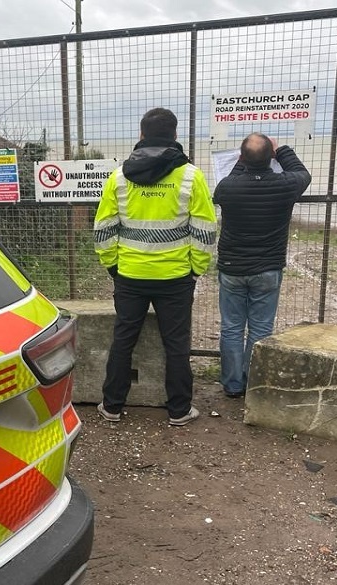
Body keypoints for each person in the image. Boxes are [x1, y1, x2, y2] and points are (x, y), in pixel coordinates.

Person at [93, 108, 218, 426]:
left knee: (123, 339)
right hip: (176, 277)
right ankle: (178, 410)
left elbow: (104, 229)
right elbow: (204, 230)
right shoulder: (191, 176)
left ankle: (112, 406)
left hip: (130, 275)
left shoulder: (118, 177)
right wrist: (195, 269)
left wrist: (113, 266)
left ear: (141, 134)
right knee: (176, 344)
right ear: (175, 135)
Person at [213, 132, 312, 398]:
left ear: (242, 158)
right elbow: (303, 173)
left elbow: (230, 179)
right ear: (271, 157)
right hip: (268, 267)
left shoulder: (227, 187)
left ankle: (233, 385)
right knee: (261, 328)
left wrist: (243, 159)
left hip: (233, 266)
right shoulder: (286, 184)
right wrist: (282, 150)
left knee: (232, 327)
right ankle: (253, 382)